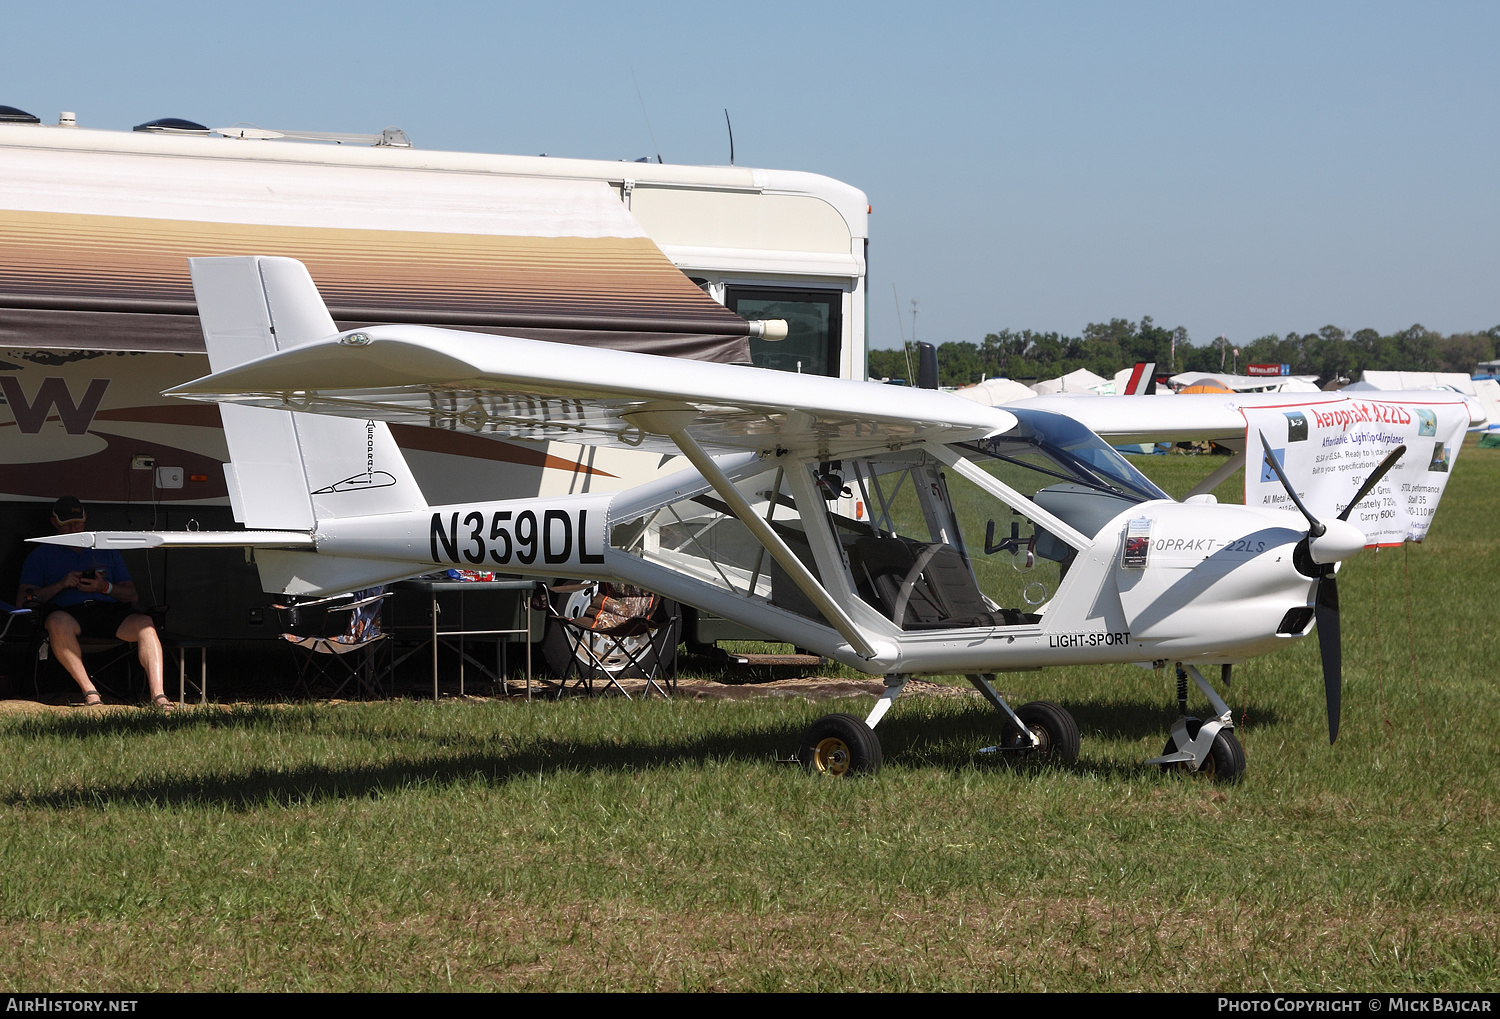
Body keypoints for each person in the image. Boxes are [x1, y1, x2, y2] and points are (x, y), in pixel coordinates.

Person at [16, 496, 170, 711]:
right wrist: (60, 585)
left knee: (145, 623)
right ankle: (91, 693)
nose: (73, 527)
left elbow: (132, 596)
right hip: (70, 615)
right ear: (54, 523)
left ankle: (158, 696)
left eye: (78, 522)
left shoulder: (105, 548)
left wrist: (104, 587)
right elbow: (23, 599)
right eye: (66, 523)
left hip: (107, 612)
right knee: (57, 621)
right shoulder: (41, 554)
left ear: (86, 519)